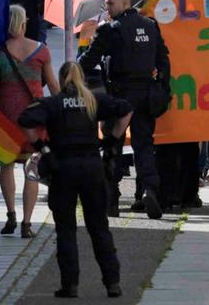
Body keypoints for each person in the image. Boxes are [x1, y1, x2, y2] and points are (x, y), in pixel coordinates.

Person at [17, 61, 132, 298]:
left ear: (60, 80)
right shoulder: (93, 100)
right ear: (82, 78)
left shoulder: (53, 103)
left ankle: (70, 285)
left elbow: (25, 119)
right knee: (99, 226)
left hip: (63, 168)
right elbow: (126, 110)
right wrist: (111, 142)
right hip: (91, 166)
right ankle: (113, 283)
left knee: (66, 229)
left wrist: (41, 146)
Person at [77, 0, 169, 220]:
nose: (107, 8)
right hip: (145, 94)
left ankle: (111, 200)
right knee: (144, 146)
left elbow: (89, 60)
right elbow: (163, 60)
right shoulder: (150, 26)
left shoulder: (110, 29)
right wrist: (161, 87)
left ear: (124, 3)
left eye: (110, 4)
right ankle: (149, 189)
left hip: (119, 95)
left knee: (112, 146)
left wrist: (78, 63)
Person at [0, 5, 57, 238]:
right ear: (23, 23)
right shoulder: (41, 51)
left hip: (7, 121)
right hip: (35, 118)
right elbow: (52, 85)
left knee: (6, 166)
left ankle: (10, 214)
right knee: (32, 167)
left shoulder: (0, 53)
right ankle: (26, 223)